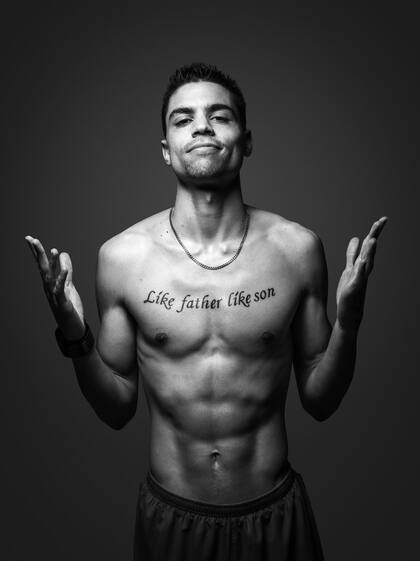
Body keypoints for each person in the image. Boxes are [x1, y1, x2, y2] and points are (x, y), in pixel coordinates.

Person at [25, 62, 387, 561]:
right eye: (184, 119)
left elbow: (321, 401)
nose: (202, 127)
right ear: (166, 149)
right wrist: (75, 334)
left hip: (274, 517)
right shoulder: (123, 258)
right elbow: (116, 408)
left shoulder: (297, 250)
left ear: (246, 140)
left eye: (219, 116)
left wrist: (349, 324)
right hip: (173, 520)